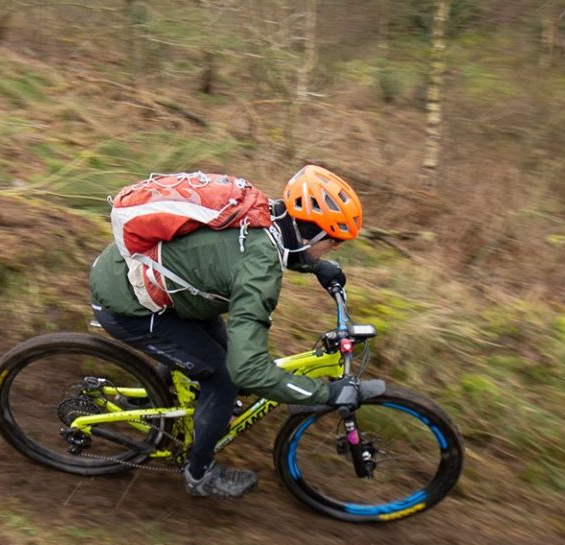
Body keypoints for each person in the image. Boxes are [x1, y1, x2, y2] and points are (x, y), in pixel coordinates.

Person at [89, 165, 369, 499]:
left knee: (215, 353)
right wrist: (324, 394)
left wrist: (315, 265)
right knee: (223, 379)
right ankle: (199, 474)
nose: (334, 249)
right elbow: (249, 369)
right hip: (130, 306)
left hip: (137, 271)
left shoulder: (262, 210)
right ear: (314, 235)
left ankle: (158, 397)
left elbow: (272, 246)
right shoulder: (260, 273)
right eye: (333, 242)